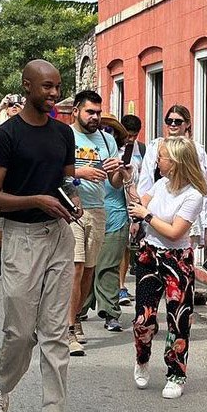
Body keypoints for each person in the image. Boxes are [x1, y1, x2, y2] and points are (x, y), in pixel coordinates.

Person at [0, 59, 80, 412]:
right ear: (26, 87)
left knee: (56, 333)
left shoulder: (63, 134)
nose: (54, 94)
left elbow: (69, 179)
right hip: (21, 238)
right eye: (46, 87)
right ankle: (2, 385)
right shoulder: (5, 136)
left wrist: (71, 198)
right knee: (21, 333)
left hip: (58, 236)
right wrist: (36, 199)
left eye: (57, 87)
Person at [128, 136, 207, 399]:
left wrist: (146, 216)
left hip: (177, 259)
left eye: (161, 156)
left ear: (174, 162)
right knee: (144, 318)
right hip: (149, 254)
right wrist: (128, 178)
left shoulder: (194, 194)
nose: (157, 160)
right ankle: (142, 357)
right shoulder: (161, 184)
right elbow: (139, 202)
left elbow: (175, 231)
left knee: (178, 318)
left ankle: (176, 373)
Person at [68, 91, 124, 356]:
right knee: (76, 268)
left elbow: (114, 182)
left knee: (89, 271)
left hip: (98, 210)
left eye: (99, 113)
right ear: (77, 111)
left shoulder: (107, 139)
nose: (95, 117)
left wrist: (120, 172)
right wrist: (80, 172)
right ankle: (68, 330)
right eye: (90, 112)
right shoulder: (65, 136)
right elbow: (51, 168)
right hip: (70, 209)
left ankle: (76, 316)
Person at [138, 105, 207, 251]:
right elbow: (146, 180)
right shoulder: (155, 147)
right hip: (158, 206)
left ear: (187, 124)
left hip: (185, 209)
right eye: (169, 120)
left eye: (177, 121)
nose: (172, 124)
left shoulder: (196, 150)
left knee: (183, 247)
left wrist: (205, 223)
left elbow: (205, 185)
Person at [81, 114, 131, 332]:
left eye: (110, 130)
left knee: (108, 268)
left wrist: (121, 171)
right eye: (103, 129)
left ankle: (111, 312)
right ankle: (79, 309)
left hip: (117, 217)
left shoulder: (123, 159)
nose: (105, 132)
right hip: (87, 215)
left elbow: (126, 188)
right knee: (84, 267)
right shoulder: (83, 153)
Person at [0, 94, 24, 280]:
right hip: (0, 188)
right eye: (11, 105)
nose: (14, 107)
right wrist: (0, 107)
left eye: (18, 104)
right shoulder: (0, 130)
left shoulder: (31, 128)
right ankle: (1, 256)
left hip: (23, 186)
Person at [118, 114, 147, 305]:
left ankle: (121, 286)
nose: (130, 139)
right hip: (116, 200)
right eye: (128, 135)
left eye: (134, 136)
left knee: (128, 247)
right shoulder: (113, 146)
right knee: (118, 246)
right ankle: (118, 286)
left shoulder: (142, 149)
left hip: (135, 200)